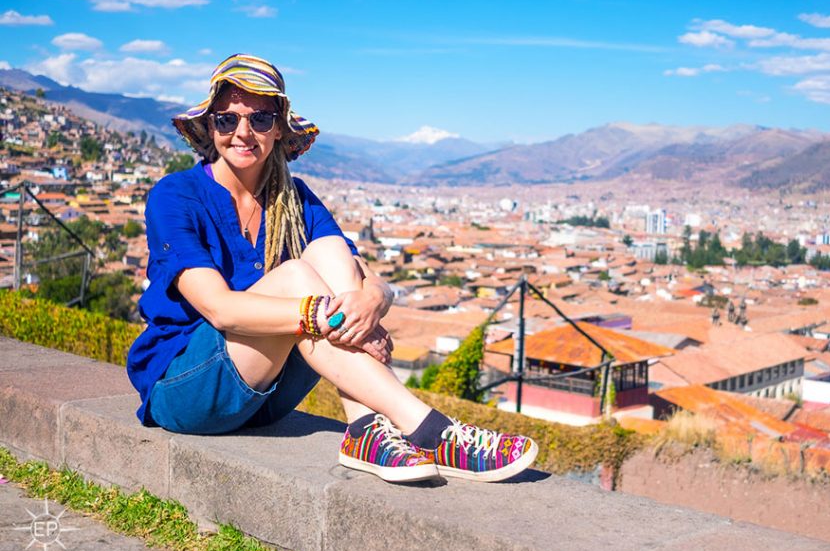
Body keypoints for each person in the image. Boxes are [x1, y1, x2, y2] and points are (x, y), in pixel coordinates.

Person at [126, 53, 537, 483]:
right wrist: (327, 316)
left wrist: (373, 303)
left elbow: (356, 271)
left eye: (260, 119)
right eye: (227, 120)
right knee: (296, 277)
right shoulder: (177, 195)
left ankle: (363, 427)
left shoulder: (294, 197)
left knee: (326, 251)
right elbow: (221, 310)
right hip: (189, 389)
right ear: (211, 127)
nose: (243, 133)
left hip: (268, 396)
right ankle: (430, 429)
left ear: (279, 128)